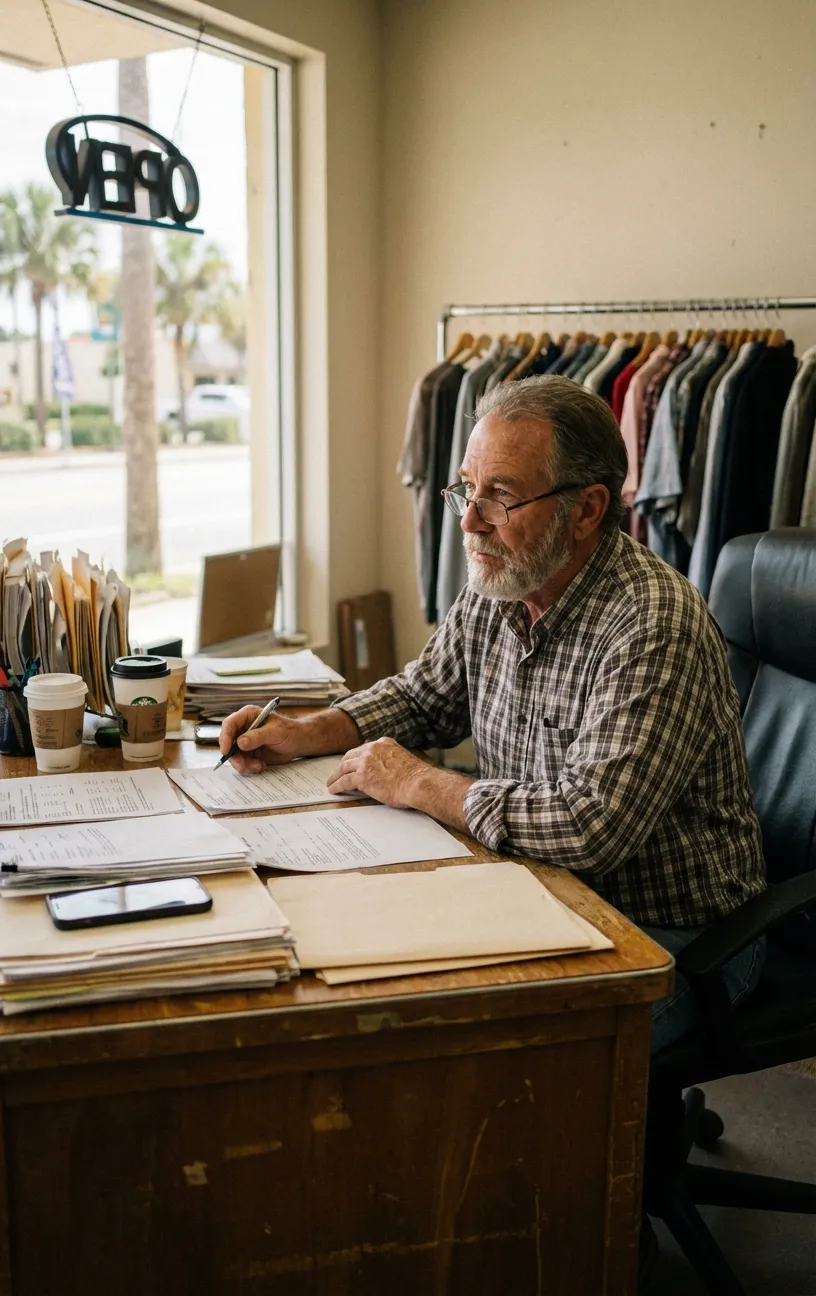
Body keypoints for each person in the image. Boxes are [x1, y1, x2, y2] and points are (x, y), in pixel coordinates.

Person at [220, 375, 767, 1053]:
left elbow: (590, 828)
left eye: (501, 496)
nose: (470, 521)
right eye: (466, 490)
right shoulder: (504, 577)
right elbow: (425, 696)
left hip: (676, 937)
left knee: (481, 1052)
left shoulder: (653, 626)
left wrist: (420, 782)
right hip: (537, 888)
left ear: (588, 508)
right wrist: (307, 732)